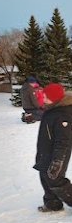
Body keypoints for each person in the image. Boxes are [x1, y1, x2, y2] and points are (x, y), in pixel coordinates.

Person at [34, 83, 72, 212]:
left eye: (46, 97)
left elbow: (64, 141)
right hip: (45, 151)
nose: (43, 99)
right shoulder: (52, 109)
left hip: (57, 153)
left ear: (55, 99)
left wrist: (58, 161)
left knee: (55, 178)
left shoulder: (63, 115)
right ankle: (52, 203)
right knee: (44, 175)